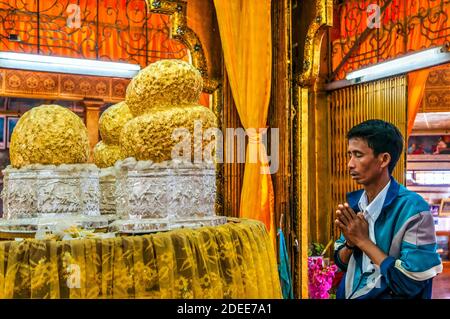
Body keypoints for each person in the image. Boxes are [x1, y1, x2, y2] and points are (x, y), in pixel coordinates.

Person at [333, 119, 442, 299]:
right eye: (349, 155)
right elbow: (342, 262)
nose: (350, 164)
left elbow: (408, 283)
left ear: (384, 159)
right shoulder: (356, 204)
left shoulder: (413, 209)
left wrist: (362, 240)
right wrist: (350, 243)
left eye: (358, 155)